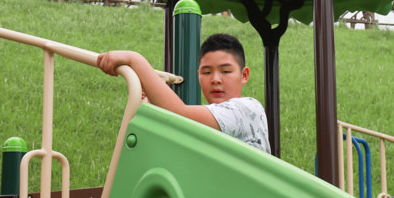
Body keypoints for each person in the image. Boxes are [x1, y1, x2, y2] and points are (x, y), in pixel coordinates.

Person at [96, 33, 271, 153]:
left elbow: (180, 113)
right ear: (198, 76)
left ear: (244, 75)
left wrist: (135, 60)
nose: (215, 79)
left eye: (225, 71)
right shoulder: (210, 123)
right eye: (207, 72)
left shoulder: (248, 109)